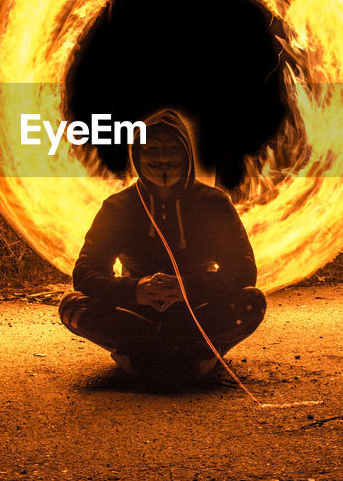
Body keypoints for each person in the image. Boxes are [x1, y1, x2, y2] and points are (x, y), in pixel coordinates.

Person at [58, 109, 266, 379]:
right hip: (137, 315)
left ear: (187, 155)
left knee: (252, 302)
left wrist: (186, 288)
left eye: (173, 150)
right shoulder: (118, 208)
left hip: (197, 313)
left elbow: (243, 270)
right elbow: (85, 273)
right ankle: (148, 351)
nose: (164, 159)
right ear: (137, 157)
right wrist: (135, 290)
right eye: (152, 150)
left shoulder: (214, 204)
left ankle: (199, 352)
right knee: (72, 306)